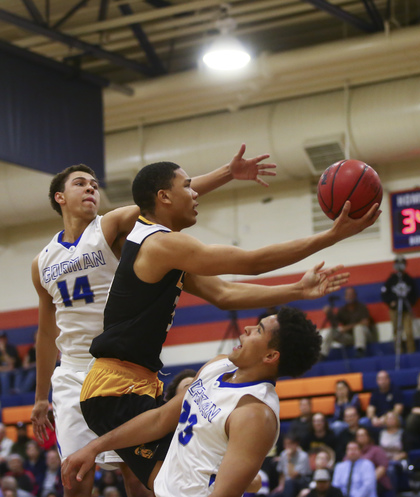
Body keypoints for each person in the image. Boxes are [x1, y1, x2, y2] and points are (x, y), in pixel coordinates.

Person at [31, 148, 278, 497]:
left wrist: (227, 173)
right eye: (80, 184)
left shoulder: (109, 227)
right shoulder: (41, 262)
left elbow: (165, 198)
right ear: (60, 197)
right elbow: (45, 332)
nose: (91, 189)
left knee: (138, 474)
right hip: (72, 371)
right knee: (76, 474)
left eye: (94, 184)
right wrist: (42, 396)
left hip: (120, 364)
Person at [61, 308, 324, 497]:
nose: (247, 328)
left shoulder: (255, 413)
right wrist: (94, 447)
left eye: (259, 330)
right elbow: (160, 419)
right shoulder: (217, 365)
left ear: (270, 355)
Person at [320, 288, 374, 358]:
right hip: (350, 338)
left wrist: (348, 327)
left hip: (364, 337)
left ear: (355, 296)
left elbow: (366, 323)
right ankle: (322, 354)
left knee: (358, 328)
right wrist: (329, 314)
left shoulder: (362, 307)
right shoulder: (342, 310)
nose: (349, 296)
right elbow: (335, 325)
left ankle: (360, 351)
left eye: (351, 294)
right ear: (344, 297)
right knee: (331, 331)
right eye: (347, 295)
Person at [381, 255, 418, 353]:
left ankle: (411, 352)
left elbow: (415, 294)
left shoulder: (408, 279)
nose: (400, 266)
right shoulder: (391, 280)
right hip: (394, 310)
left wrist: (410, 303)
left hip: (407, 310)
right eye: (398, 264)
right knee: (397, 332)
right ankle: (399, 352)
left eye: (402, 264)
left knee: (409, 332)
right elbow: (384, 293)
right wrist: (390, 302)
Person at [355, 427, 393, 497]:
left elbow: (382, 467)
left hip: (376, 482)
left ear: (368, 436)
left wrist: (368, 481)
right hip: (356, 483)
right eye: (358, 436)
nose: (360, 438)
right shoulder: (353, 451)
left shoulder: (376, 450)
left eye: (363, 435)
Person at [0, 331, 21, 395]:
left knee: (18, 372)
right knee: (4, 375)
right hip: (3, 372)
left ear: (6, 339)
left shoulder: (11, 348)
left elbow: (12, 364)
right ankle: (6, 398)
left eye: (3, 338)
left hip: (13, 371)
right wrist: (7, 368)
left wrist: (3, 351)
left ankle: (17, 393)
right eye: (0, 339)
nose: (2, 340)